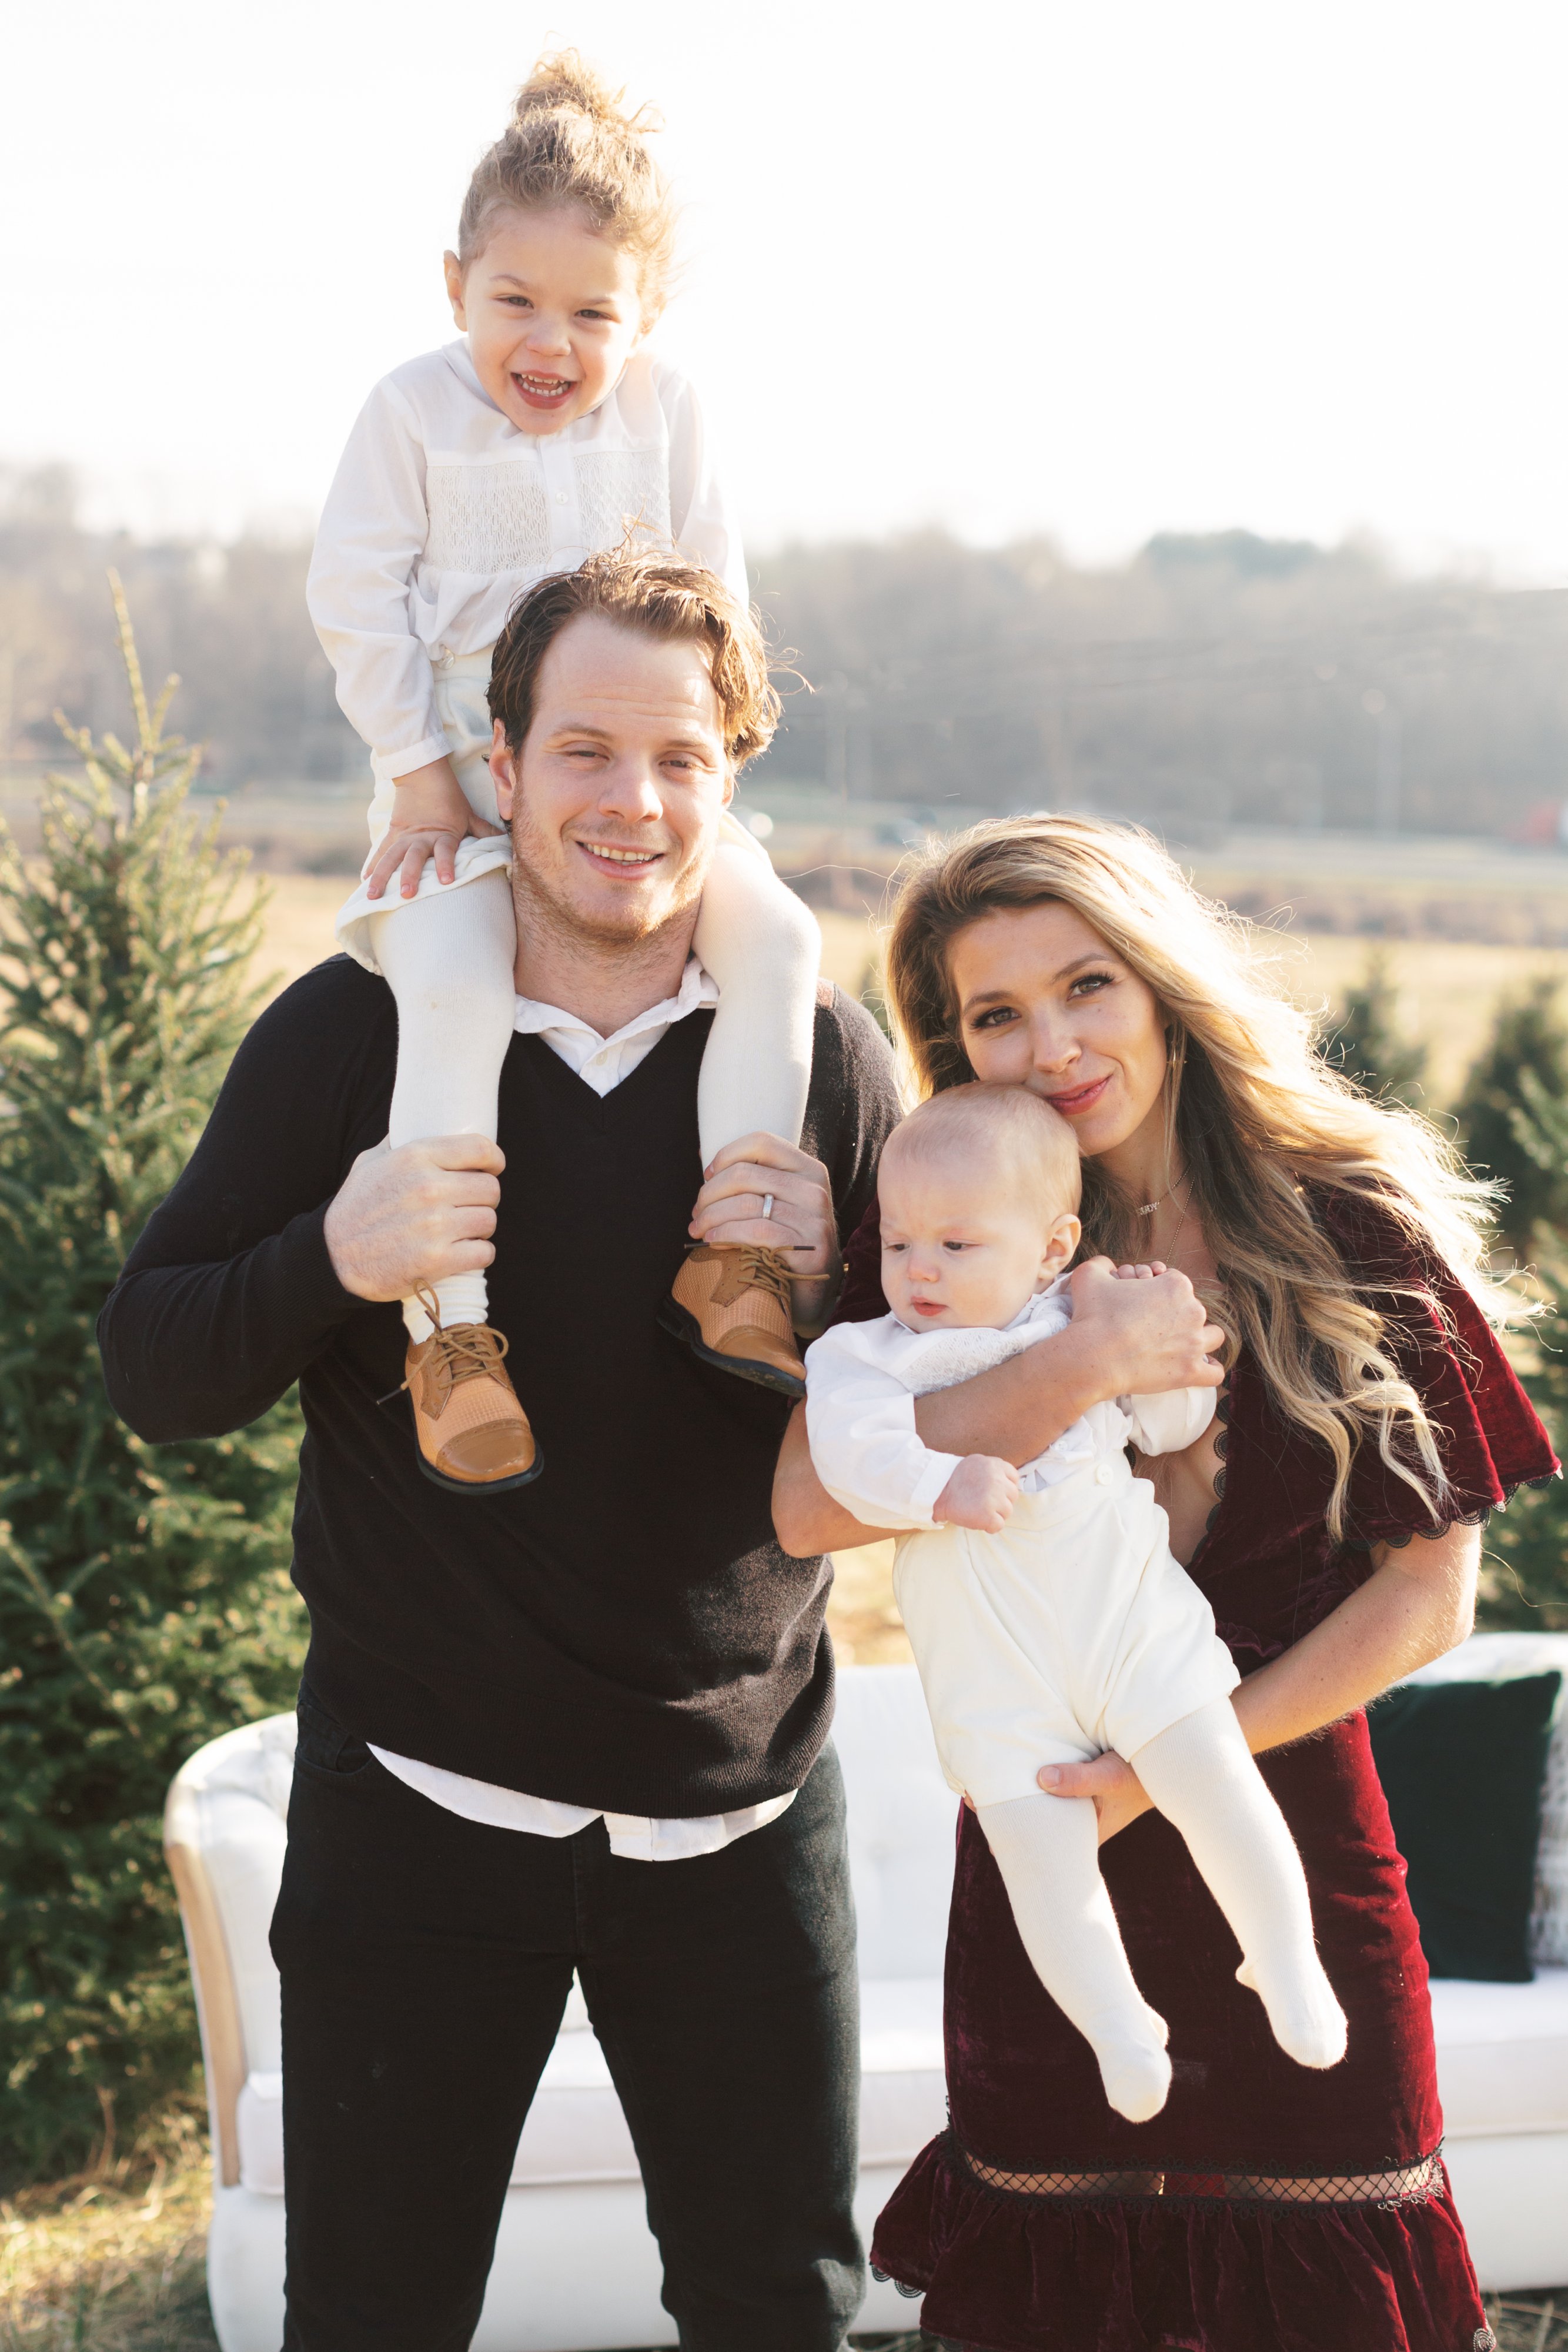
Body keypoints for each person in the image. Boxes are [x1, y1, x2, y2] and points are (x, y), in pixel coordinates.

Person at [98, 551, 900, 2352]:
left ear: (733, 771)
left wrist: (841, 1277)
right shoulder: (357, 1034)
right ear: (504, 759)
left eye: (681, 757)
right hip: (420, 1805)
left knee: (778, 2308)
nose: (633, 801)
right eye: (587, 751)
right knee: (375, 2315)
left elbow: (896, 1410)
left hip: (743, 1805)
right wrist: (335, 1256)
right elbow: (153, 1366)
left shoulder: (824, 1060)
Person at [773, 814, 1557, 2352]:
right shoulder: (947, 1235)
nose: (1052, 1042)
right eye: (995, 1014)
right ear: (953, 1046)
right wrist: (1071, 1366)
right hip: (1046, 1844)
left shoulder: (1345, 1227)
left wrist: (1161, 1763)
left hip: (1275, 1820)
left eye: (1086, 986)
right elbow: (806, 1504)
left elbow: (1425, 1596)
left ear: (1159, 985)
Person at [307, 52, 821, 1489]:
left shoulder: (667, 412)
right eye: (513, 303)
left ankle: (735, 1258)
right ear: (453, 282)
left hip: (637, 803)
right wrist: (418, 772)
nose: (552, 342)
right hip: (461, 810)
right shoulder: (411, 412)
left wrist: (700, 765)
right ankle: (450, 1333)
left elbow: (715, 594)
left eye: (593, 313)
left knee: (777, 942)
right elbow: (355, 596)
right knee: (459, 990)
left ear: (643, 316)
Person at [803, 1083, 1345, 2125]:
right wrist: (937, 1484)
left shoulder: (1076, 1315)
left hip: (1134, 1636)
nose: (918, 1269)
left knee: (1224, 1793)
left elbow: (1175, 1417)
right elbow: (848, 1460)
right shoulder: (864, 1358)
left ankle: (1283, 1958)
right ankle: (1120, 2030)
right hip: (997, 1682)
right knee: (1044, 1875)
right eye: (902, 1242)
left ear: (1051, 1248)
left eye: (958, 1247)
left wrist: (1154, 1333)